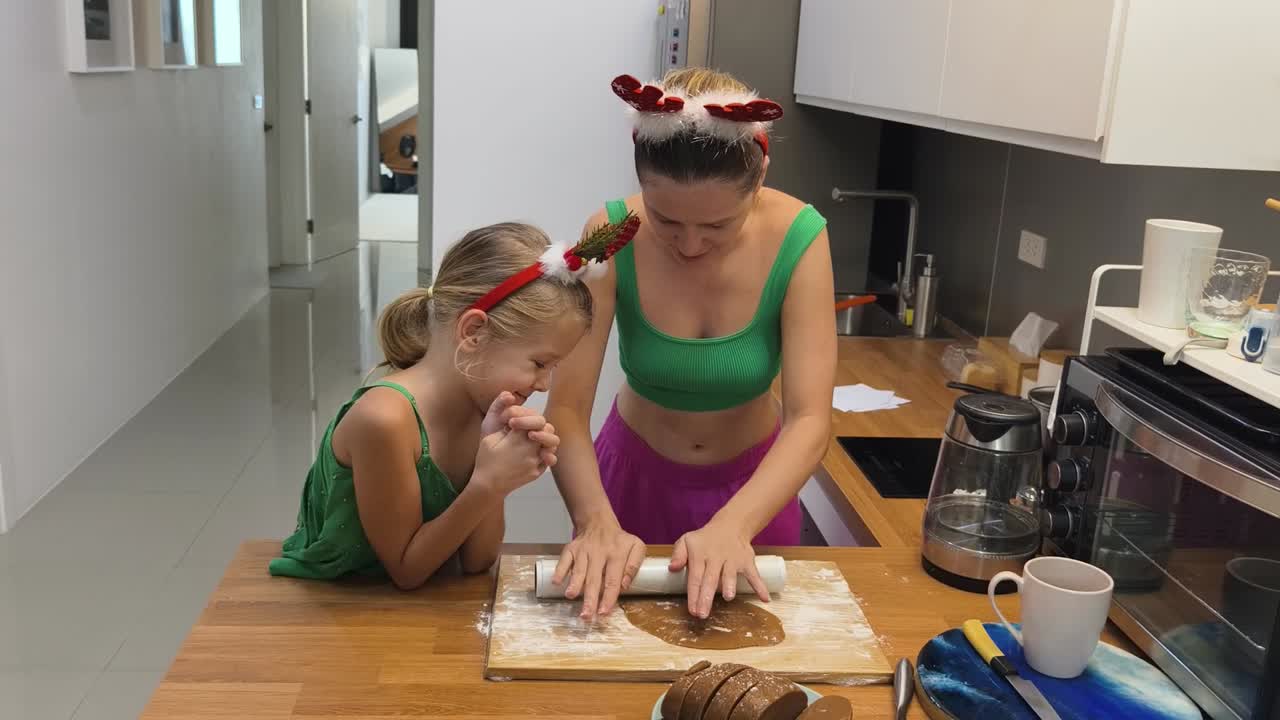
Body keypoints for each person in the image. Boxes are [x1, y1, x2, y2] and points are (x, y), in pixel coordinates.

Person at [546, 69, 837, 619]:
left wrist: (733, 525)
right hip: (626, 490)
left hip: (755, 496)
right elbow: (564, 408)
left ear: (760, 177)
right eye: (665, 220)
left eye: (718, 226)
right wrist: (595, 522)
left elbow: (809, 420)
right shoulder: (609, 233)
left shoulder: (800, 236)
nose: (690, 243)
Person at [269, 217, 640, 588]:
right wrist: (488, 483)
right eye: (540, 363)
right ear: (474, 332)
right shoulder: (384, 419)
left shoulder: (481, 411)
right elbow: (407, 571)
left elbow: (478, 561)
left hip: (410, 613)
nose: (544, 385)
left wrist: (494, 472)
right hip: (334, 606)